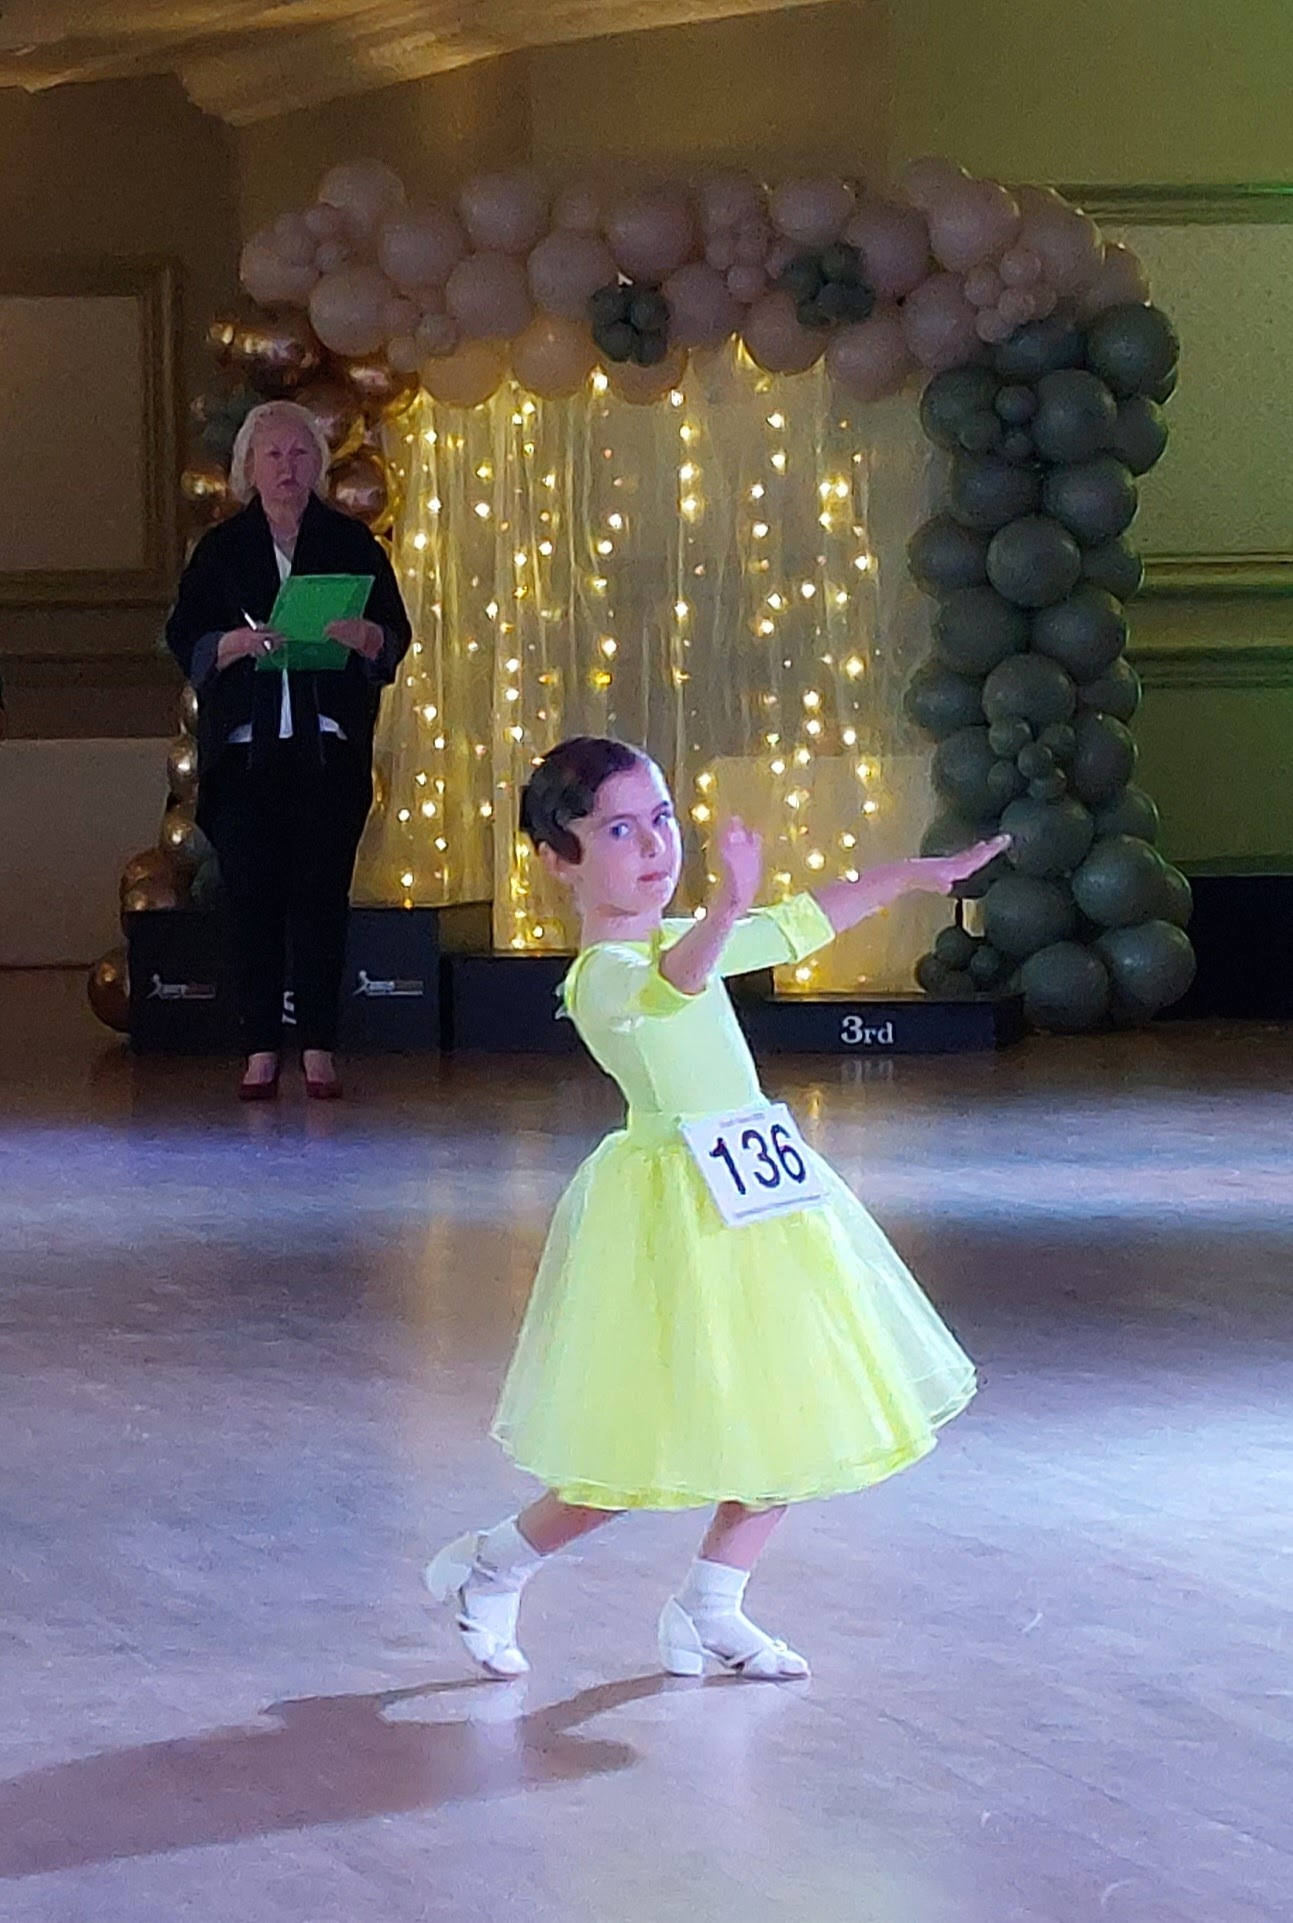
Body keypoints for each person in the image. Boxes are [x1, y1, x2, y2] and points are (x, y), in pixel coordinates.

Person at [426, 736, 1008, 1681]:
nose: (655, 845)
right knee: (636, 1452)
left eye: (662, 820)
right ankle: (493, 1565)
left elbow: (798, 923)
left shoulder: (676, 937)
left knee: (791, 1415)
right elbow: (672, 987)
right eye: (620, 830)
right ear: (559, 859)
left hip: (761, 1202)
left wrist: (911, 875)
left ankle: (710, 1606)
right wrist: (728, 906)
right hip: (674, 1219)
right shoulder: (602, 973)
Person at [165, 401, 411, 1100]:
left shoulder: (350, 543)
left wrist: (365, 638)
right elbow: (186, 635)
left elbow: (392, 633)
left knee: (320, 897)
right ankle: (259, 1048)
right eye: (272, 455)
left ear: (318, 465)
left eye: (300, 454)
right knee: (251, 899)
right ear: (249, 466)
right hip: (246, 755)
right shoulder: (222, 549)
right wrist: (234, 644)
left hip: (324, 753)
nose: (287, 467)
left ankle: (321, 1048)